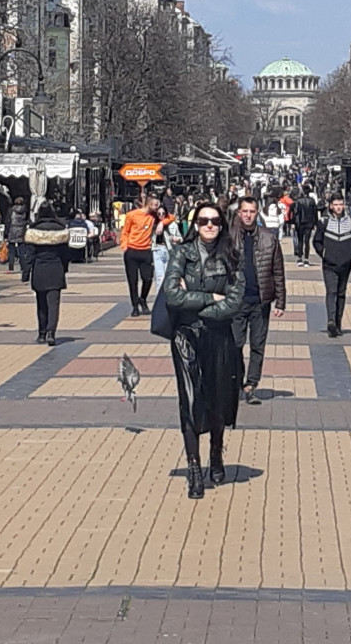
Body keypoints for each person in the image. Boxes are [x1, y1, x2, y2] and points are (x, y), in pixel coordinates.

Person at [159, 201, 246, 499]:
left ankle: (216, 453)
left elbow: (234, 302)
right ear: (194, 224)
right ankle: (194, 467)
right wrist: (210, 295)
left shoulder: (231, 256)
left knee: (219, 397)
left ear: (222, 225)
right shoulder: (181, 253)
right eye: (203, 221)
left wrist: (196, 304)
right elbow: (172, 295)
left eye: (214, 221)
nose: (209, 225)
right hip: (186, 337)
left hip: (219, 335)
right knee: (191, 399)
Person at [231, 195, 286, 405]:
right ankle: (236, 382)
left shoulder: (268, 237)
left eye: (252, 211)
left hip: (260, 300)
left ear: (257, 213)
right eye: (244, 211)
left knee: (257, 346)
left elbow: (278, 271)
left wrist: (280, 301)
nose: (248, 215)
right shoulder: (229, 236)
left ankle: (251, 385)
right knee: (235, 344)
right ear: (239, 213)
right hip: (236, 301)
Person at [24, 204, 80, 346]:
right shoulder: (61, 229)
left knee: (41, 304)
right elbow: (66, 254)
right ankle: (51, 333)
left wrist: (26, 273)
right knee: (53, 304)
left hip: (39, 270)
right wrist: (64, 268)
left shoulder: (33, 230)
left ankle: (42, 333)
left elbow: (29, 255)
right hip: (55, 268)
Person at [315, 193, 351, 337]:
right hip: (329, 264)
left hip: (345, 264)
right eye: (335, 204)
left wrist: (349, 255)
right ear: (330, 206)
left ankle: (338, 322)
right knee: (332, 291)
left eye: (340, 204)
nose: (338, 207)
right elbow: (317, 241)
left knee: (341, 293)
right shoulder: (324, 222)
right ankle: (331, 321)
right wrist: (324, 254)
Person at [120, 194, 161, 316]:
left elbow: (170, 217)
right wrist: (125, 246)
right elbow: (125, 231)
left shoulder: (154, 216)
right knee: (132, 281)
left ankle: (142, 298)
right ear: (148, 204)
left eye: (158, 204)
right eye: (155, 205)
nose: (157, 207)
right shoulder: (132, 215)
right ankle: (135, 306)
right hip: (132, 250)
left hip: (146, 250)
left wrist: (161, 224)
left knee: (147, 278)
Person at [289, 188, 319, 267]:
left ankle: (299, 258)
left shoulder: (298, 201)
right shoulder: (312, 201)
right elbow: (315, 212)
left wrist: (292, 222)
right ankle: (306, 258)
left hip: (300, 222)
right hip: (309, 222)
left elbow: (295, 213)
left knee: (300, 240)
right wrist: (315, 223)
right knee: (307, 241)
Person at [4, 197, 29, 272]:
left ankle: (11, 267)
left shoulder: (11, 210)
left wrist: (6, 233)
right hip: (21, 230)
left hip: (12, 230)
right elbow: (27, 220)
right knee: (21, 249)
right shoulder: (25, 210)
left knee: (11, 249)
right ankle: (23, 266)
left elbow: (8, 221)